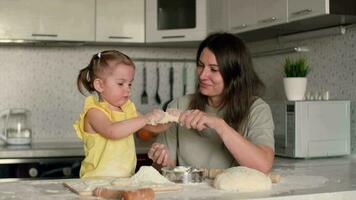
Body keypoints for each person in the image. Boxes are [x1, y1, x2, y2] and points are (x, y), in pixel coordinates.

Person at [148, 33, 275, 174]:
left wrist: (219, 125)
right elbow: (165, 171)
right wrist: (160, 162)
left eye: (214, 69)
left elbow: (263, 166)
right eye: (200, 66)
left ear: (235, 74)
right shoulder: (179, 105)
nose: (202, 75)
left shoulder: (256, 109)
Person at [74, 50, 167, 178]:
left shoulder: (127, 109)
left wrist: (174, 118)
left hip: (124, 181)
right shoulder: (94, 112)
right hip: (96, 182)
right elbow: (112, 131)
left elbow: (155, 127)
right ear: (100, 85)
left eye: (130, 83)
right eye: (120, 83)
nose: (127, 89)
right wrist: (145, 118)